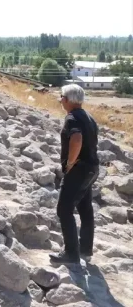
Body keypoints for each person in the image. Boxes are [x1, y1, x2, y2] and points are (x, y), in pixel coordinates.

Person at [50, 84, 99, 265]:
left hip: (79, 169)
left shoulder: (72, 118)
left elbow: (77, 139)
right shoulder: (89, 117)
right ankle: (85, 250)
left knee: (64, 209)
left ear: (68, 99)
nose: (60, 101)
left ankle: (71, 254)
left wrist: (70, 163)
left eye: (61, 97)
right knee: (85, 209)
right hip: (92, 168)